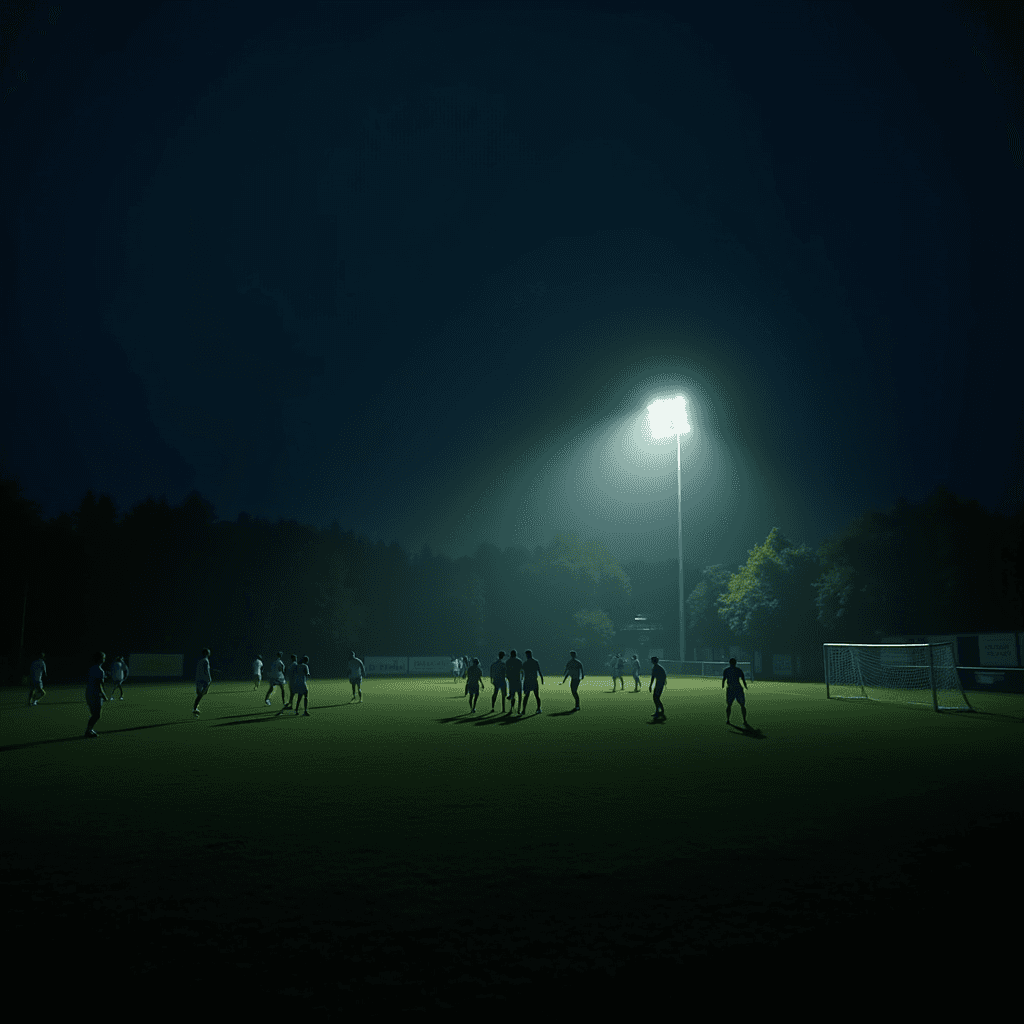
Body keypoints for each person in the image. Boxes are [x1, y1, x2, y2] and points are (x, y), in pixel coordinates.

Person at [84, 651, 108, 737]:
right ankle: (88, 731)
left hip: (88, 693)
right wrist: (104, 695)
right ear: (100, 659)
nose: (104, 659)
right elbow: (99, 685)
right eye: (103, 658)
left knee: (94, 714)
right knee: (97, 715)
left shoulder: (92, 668)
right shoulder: (100, 671)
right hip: (96, 694)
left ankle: (89, 729)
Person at [722, 657, 749, 725]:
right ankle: (744, 720)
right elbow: (743, 679)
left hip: (730, 689)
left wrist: (722, 685)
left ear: (729, 663)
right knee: (742, 705)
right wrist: (745, 685)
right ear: (735, 663)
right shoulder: (738, 670)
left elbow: (724, 679)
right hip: (738, 688)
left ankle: (728, 720)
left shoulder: (726, 670)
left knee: (729, 705)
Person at [522, 649, 544, 714]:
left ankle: (524, 710)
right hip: (532, 681)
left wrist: (542, 678)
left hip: (529, 681)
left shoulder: (526, 663)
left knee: (530, 696)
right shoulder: (534, 662)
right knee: (535, 696)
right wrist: (542, 679)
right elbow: (539, 671)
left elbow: (522, 672)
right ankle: (538, 708)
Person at [194, 648, 212, 716]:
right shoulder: (205, 661)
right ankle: (195, 708)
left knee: (200, 694)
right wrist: (209, 679)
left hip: (199, 680)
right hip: (203, 680)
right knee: (201, 694)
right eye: (208, 652)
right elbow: (206, 671)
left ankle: (195, 708)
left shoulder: (201, 661)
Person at [506, 649, 524, 714]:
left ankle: (511, 708)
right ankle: (519, 709)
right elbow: (522, 670)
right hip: (518, 680)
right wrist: (522, 678)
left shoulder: (508, 661)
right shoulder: (519, 661)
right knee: (519, 695)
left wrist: (508, 678)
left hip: (512, 680)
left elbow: (507, 672)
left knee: (512, 695)